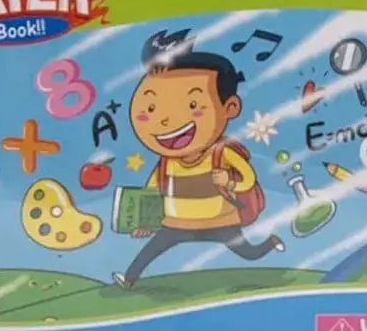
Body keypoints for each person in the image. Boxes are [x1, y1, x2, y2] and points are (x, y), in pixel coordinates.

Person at [112, 48, 284, 288]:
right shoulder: (168, 161)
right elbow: (151, 194)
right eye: (151, 108)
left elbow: (248, 179)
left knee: (249, 252)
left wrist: (229, 181)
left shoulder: (221, 152)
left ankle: (271, 242)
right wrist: (145, 223)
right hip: (177, 223)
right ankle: (129, 279)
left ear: (230, 107)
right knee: (149, 251)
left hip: (221, 221)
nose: (166, 120)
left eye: (193, 104)